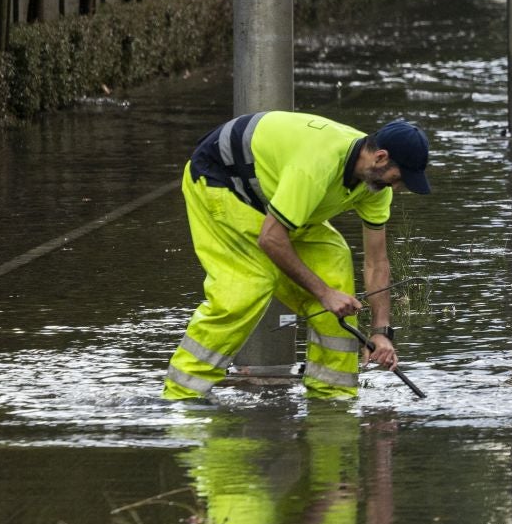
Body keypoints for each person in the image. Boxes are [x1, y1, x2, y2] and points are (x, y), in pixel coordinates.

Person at [163, 112, 431, 401]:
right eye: (399, 177)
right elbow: (271, 239)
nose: (398, 186)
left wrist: (381, 333)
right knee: (247, 287)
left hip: (275, 195)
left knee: (334, 262)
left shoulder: (376, 187)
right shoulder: (317, 165)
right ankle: (182, 395)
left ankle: (333, 395)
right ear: (380, 158)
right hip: (221, 181)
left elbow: (377, 261)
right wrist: (324, 293)